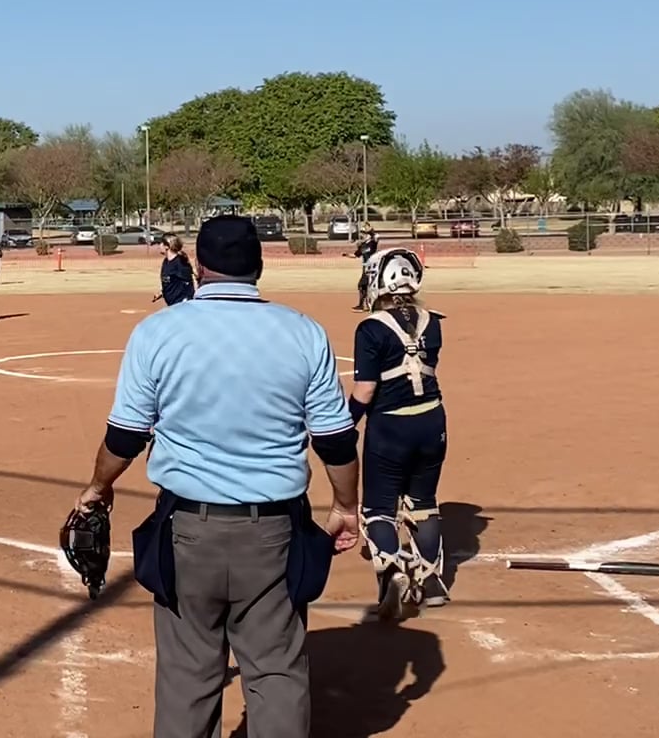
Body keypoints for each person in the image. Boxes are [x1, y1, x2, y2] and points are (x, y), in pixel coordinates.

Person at [72, 214, 362, 738]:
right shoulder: (303, 332)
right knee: (276, 673)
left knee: (188, 676)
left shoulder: (159, 331)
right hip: (274, 533)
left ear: (199, 267)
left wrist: (98, 486)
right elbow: (336, 441)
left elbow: (126, 436)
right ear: (259, 266)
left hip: (187, 531)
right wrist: (345, 506)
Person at [350, 247, 449, 621]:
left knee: (378, 508)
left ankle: (392, 574)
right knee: (423, 502)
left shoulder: (371, 328)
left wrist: (345, 423)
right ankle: (432, 581)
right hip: (432, 421)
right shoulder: (433, 322)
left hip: (390, 426)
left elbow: (365, 390)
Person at [152, 235, 194, 306]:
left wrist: (186, 301)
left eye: (160, 243)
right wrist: (162, 292)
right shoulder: (166, 262)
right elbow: (171, 281)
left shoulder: (180, 263)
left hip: (181, 304)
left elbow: (189, 283)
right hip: (172, 303)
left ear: (167, 247)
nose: (159, 246)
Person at [351, 228, 380, 311]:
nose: (363, 236)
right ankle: (366, 305)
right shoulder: (363, 245)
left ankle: (363, 305)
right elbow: (356, 255)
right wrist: (346, 255)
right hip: (365, 268)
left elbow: (377, 236)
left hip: (372, 267)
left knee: (362, 285)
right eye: (362, 234)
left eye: (364, 234)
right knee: (365, 286)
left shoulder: (372, 243)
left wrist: (370, 231)